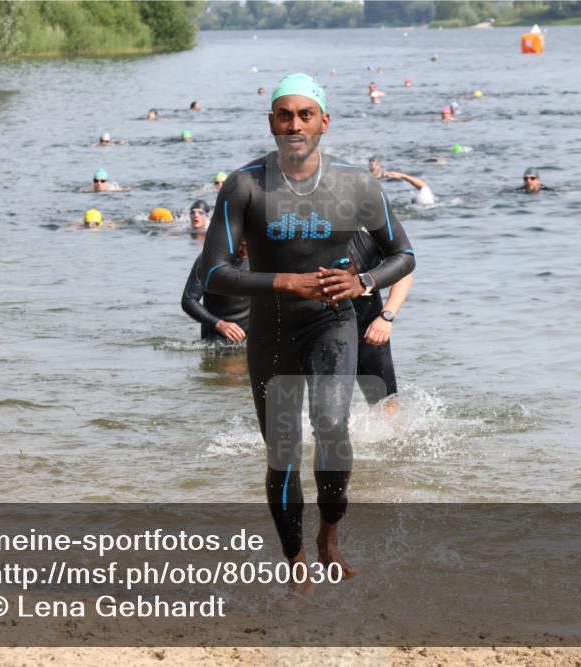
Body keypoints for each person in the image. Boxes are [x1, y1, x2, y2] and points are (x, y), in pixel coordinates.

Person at [199, 73, 415, 589]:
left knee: (333, 432)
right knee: (282, 449)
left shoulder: (356, 186)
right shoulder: (245, 185)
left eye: (305, 114)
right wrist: (287, 281)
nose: (294, 124)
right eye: (284, 114)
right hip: (271, 332)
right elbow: (213, 274)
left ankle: (330, 539)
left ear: (324, 122)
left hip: (332, 325)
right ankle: (295, 557)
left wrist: (364, 281)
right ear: (271, 122)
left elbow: (403, 256)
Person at [348, 230, 414, 409]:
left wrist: (386, 317)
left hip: (367, 326)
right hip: (314, 326)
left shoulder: (367, 227)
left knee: (387, 406)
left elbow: (404, 272)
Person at [182, 240, 250, 343]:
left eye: (250, 245)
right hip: (217, 339)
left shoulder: (261, 257)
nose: (245, 250)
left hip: (249, 340)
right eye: (241, 245)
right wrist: (219, 324)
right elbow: (188, 300)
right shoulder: (210, 258)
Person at [368, 156, 434, 205]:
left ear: (380, 166)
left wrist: (402, 176)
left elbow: (424, 186)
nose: (373, 167)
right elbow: (424, 186)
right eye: (371, 165)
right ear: (368, 167)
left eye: (376, 165)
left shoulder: (391, 176)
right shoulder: (367, 179)